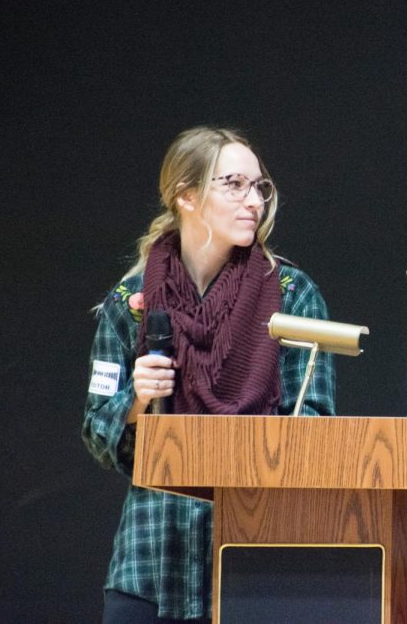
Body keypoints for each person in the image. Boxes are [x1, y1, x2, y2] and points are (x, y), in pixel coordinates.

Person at [82, 127, 336, 623]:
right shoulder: (130, 304)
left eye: (260, 187)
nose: (254, 201)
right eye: (234, 184)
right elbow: (95, 428)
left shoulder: (293, 296)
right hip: (151, 562)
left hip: (252, 563)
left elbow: (315, 425)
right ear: (188, 196)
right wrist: (136, 400)